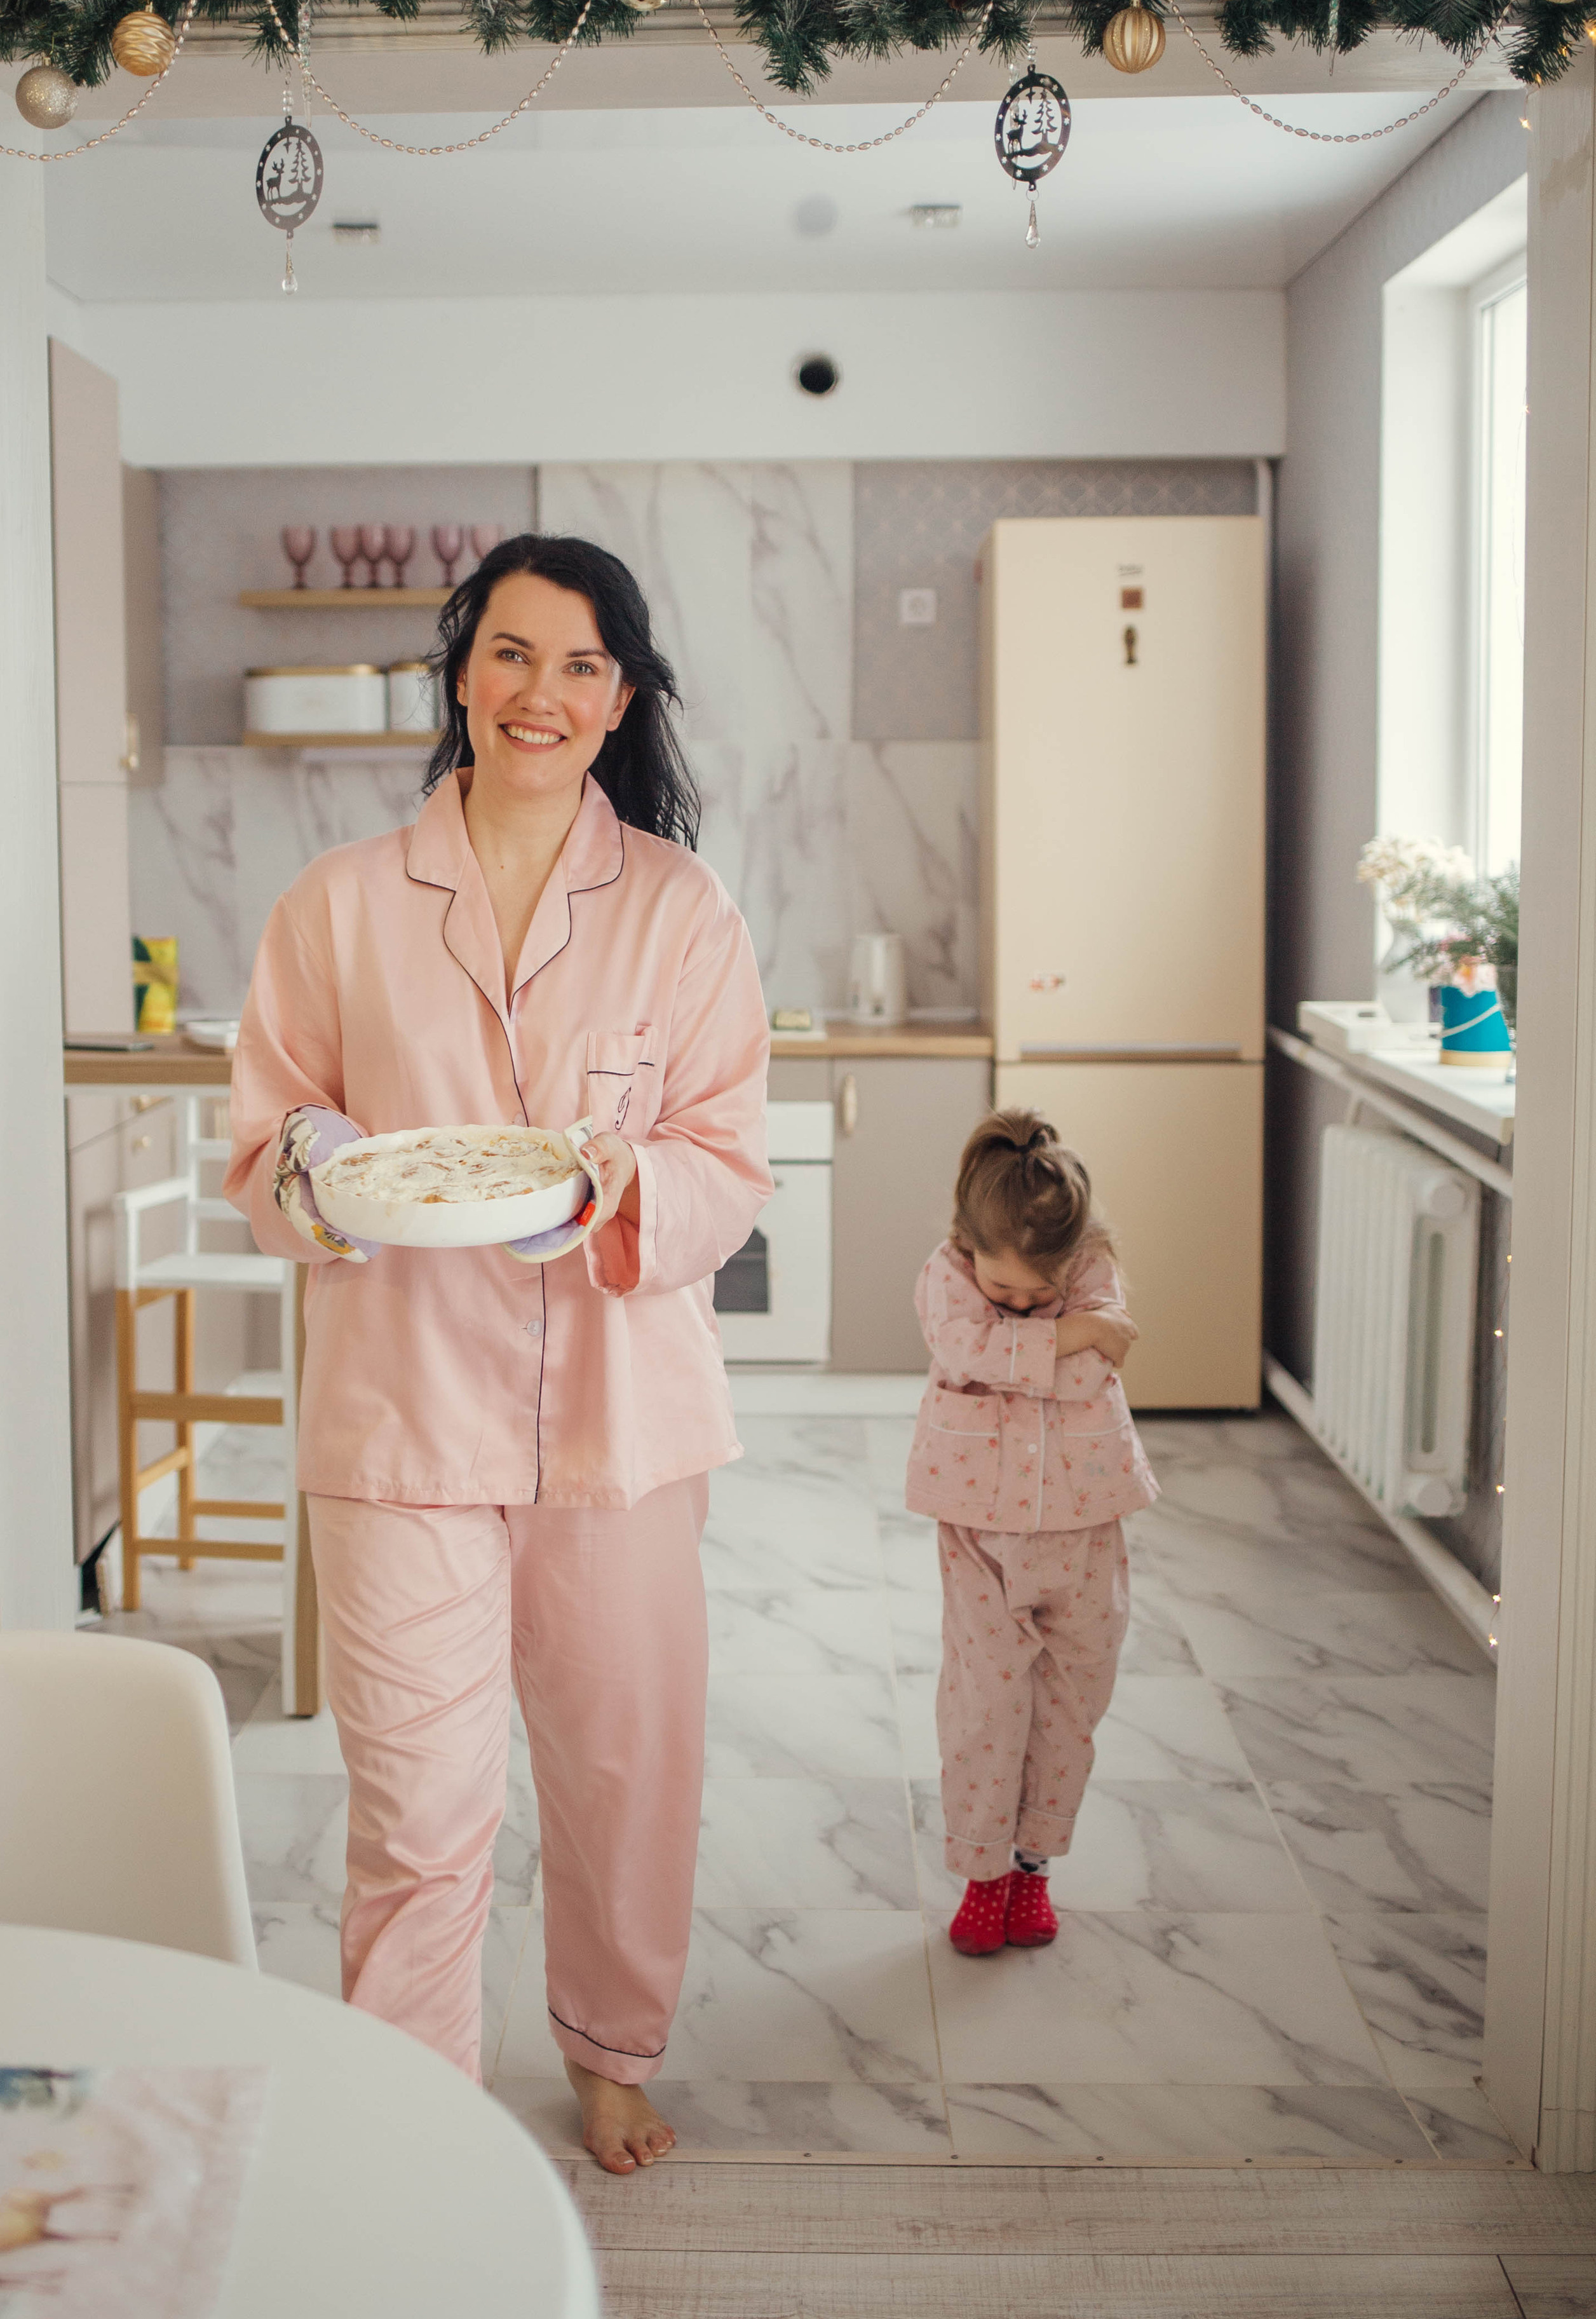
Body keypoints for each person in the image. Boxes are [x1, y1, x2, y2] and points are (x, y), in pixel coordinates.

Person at [226, 533, 771, 2175]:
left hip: (623, 1419)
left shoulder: (683, 909)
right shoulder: (336, 906)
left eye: (583, 665)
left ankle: (613, 2051)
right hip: (401, 1419)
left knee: (624, 1772)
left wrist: (621, 1192)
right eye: (515, 655)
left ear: (622, 702)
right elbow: (266, 1141)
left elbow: (728, 1161)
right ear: (462, 675)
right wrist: (325, 1168)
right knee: (415, 1809)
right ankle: (412, 2132)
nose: (545, 693)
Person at [907, 1109, 1158, 1955]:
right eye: (1001, 1292)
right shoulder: (946, 1273)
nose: (1016, 1305)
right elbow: (966, 1347)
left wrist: (1034, 1340)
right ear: (966, 1247)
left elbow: (1093, 1363)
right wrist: (1064, 1329)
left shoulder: (1096, 1264)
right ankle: (982, 1876)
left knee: (1070, 1702)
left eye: (1038, 1295)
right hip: (980, 1529)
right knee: (985, 1703)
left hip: (1086, 1525)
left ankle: (1032, 1866)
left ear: (1073, 1260)